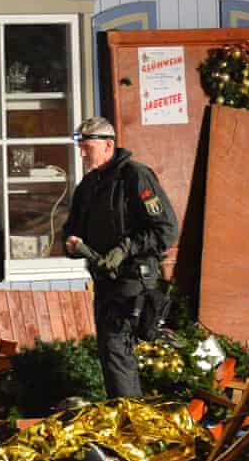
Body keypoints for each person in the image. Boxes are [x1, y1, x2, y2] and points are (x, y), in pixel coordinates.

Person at [63, 116, 178, 398]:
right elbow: (72, 231)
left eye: (87, 147)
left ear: (108, 145)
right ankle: (128, 411)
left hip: (133, 282)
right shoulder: (88, 186)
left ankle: (129, 415)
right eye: (80, 147)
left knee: (117, 350)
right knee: (111, 353)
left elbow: (165, 230)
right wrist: (72, 244)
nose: (82, 154)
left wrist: (125, 249)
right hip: (105, 283)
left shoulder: (135, 176)